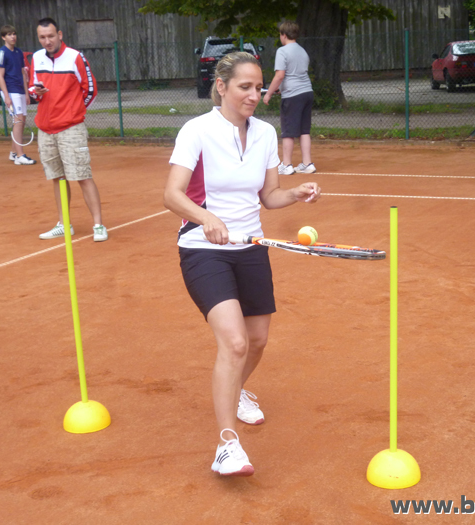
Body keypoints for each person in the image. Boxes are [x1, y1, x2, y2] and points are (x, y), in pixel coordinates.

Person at [163, 52, 320, 477]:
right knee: (234, 343)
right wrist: (206, 218)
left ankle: (238, 390)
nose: (254, 95)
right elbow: (172, 194)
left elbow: (268, 196)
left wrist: (296, 193)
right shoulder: (197, 130)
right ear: (222, 87)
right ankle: (227, 446)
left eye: (258, 88)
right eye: (244, 87)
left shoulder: (266, 133)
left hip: (251, 245)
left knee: (257, 341)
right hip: (203, 248)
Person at [29, 17, 108, 242]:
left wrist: (74, 111)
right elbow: (32, 89)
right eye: (42, 37)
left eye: (51, 36)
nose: (47, 41)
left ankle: (98, 225)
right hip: (46, 129)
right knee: (58, 177)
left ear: (60, 35)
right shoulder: (36, 58)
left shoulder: (75, 57)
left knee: (82, 176)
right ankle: (64, 224)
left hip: (71, 127)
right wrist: (36, 93)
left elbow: (90, 89)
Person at [263, 21, 316, 175]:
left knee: (288, 130)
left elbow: (280, 75)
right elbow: (295, 74)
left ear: (284, 35)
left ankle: (286, 165)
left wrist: (268, 93)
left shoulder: (282, 51)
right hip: (307, 92)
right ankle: (307, 163)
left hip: (292, 95)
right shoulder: (302, 51)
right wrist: (281, 89)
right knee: (304, 130)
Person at [0, 24, 36, 165]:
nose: (13, 37)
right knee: (18, 121)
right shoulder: (2, 53)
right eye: (9, 34)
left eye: (14, 34)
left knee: (21, 121)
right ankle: (20, 155)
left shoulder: (19, 52)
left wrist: (26, 93)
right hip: (11, 91)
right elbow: (0, 76)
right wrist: (6, 96)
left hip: (20, 91)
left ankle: (13, 153)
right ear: (3, 37)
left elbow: (23, 73)